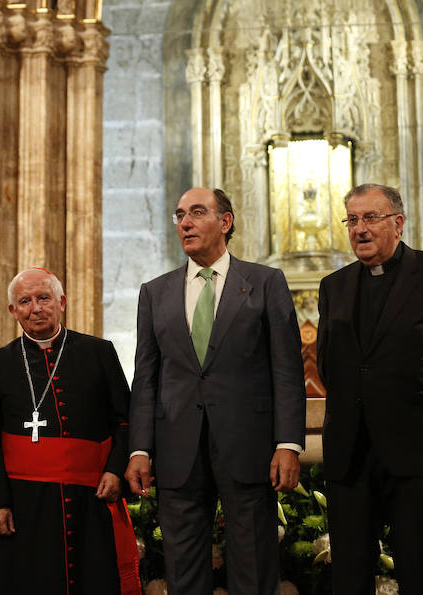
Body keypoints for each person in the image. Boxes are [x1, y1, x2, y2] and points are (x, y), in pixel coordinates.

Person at [126, 188, 306, 595]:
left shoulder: (264, 282)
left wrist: (289, 443)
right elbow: (147, 377)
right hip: (177, 449)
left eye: (196, 213)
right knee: (183, 570)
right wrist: (139, 449)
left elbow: (287, 371)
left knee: (255, 564)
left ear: (225, 222)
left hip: (249, 447)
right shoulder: (155, 293)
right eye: (179, 215)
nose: (184, 223)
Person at [316, 184, 423, 595]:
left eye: (370, 217)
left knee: (420, 576)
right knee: (349, 578)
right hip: (351, 459)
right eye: (352, 219)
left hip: (418, 455)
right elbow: (328, 364)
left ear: (398, 223)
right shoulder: (334, 286)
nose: (360, 228)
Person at [0, 268, 140, 595]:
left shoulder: (98, 353)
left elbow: (124, 420)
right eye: (25, 301)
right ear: (13, 311)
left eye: (44, 298)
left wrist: (115, 470)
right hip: (22, 503)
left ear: (61, 302)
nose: (36, 308)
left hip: (89, 499)